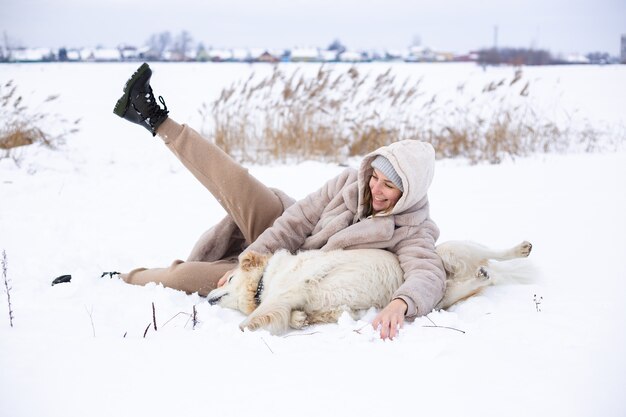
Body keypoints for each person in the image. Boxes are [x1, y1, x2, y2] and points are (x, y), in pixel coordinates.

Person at [112, 63, 446, 340]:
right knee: (237, 182)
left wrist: (401, 303)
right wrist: (249, 261)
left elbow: (428, 274)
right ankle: (152, 116)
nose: (376, 188)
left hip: (283, 276)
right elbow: (299, 219)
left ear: (410, 193)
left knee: (182, 279)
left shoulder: (412, 228)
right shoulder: (350, 182)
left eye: (389, 186)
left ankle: (120, 278)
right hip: (280, 230)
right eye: (375, 176)